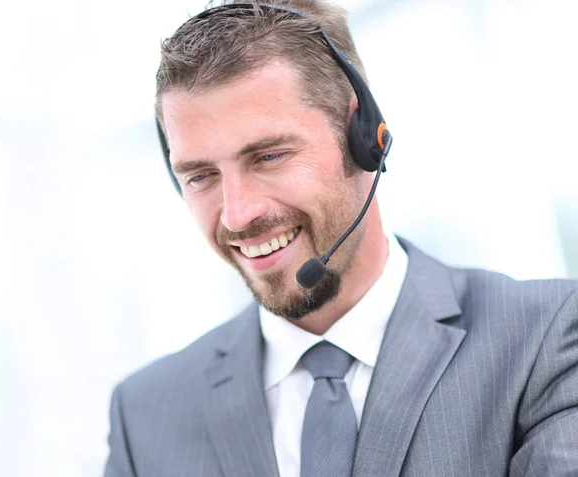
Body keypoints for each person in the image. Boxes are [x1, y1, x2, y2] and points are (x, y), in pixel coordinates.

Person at [104, 1, 578, 476]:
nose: (238, 213)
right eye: (201, 175)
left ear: (364, 136)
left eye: (269, 156)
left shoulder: (543, 341)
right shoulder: (144, 416)